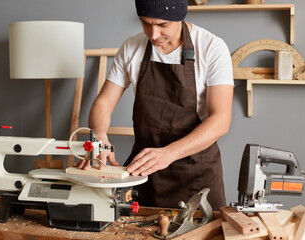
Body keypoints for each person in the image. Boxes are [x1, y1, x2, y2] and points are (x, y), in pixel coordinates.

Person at [74, 0, 234, 210]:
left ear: (180, 16)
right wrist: (100, 135)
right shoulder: (132, 47)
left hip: (196, 172)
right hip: (144, 172)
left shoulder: (212, 48)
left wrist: (169, 153)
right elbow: (103, 103)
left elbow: (220, 120)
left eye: (163, 25)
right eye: (145, 23)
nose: (153, 34)